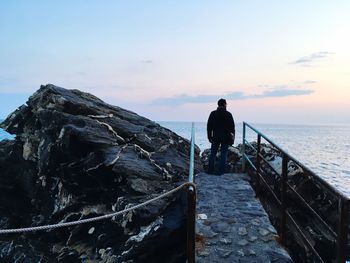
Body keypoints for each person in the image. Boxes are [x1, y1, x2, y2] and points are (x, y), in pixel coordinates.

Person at [207, 98, 235, 175]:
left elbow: (209, 126)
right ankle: (221, 171)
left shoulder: (213, 113)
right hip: (226, 137)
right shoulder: (228, 114)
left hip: (215, 136)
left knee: (213, 154)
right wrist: (232, 139)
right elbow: (232, 128)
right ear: (225, 104)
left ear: (218, 104)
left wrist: (209, 137)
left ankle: (210, 170)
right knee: (223, 154)